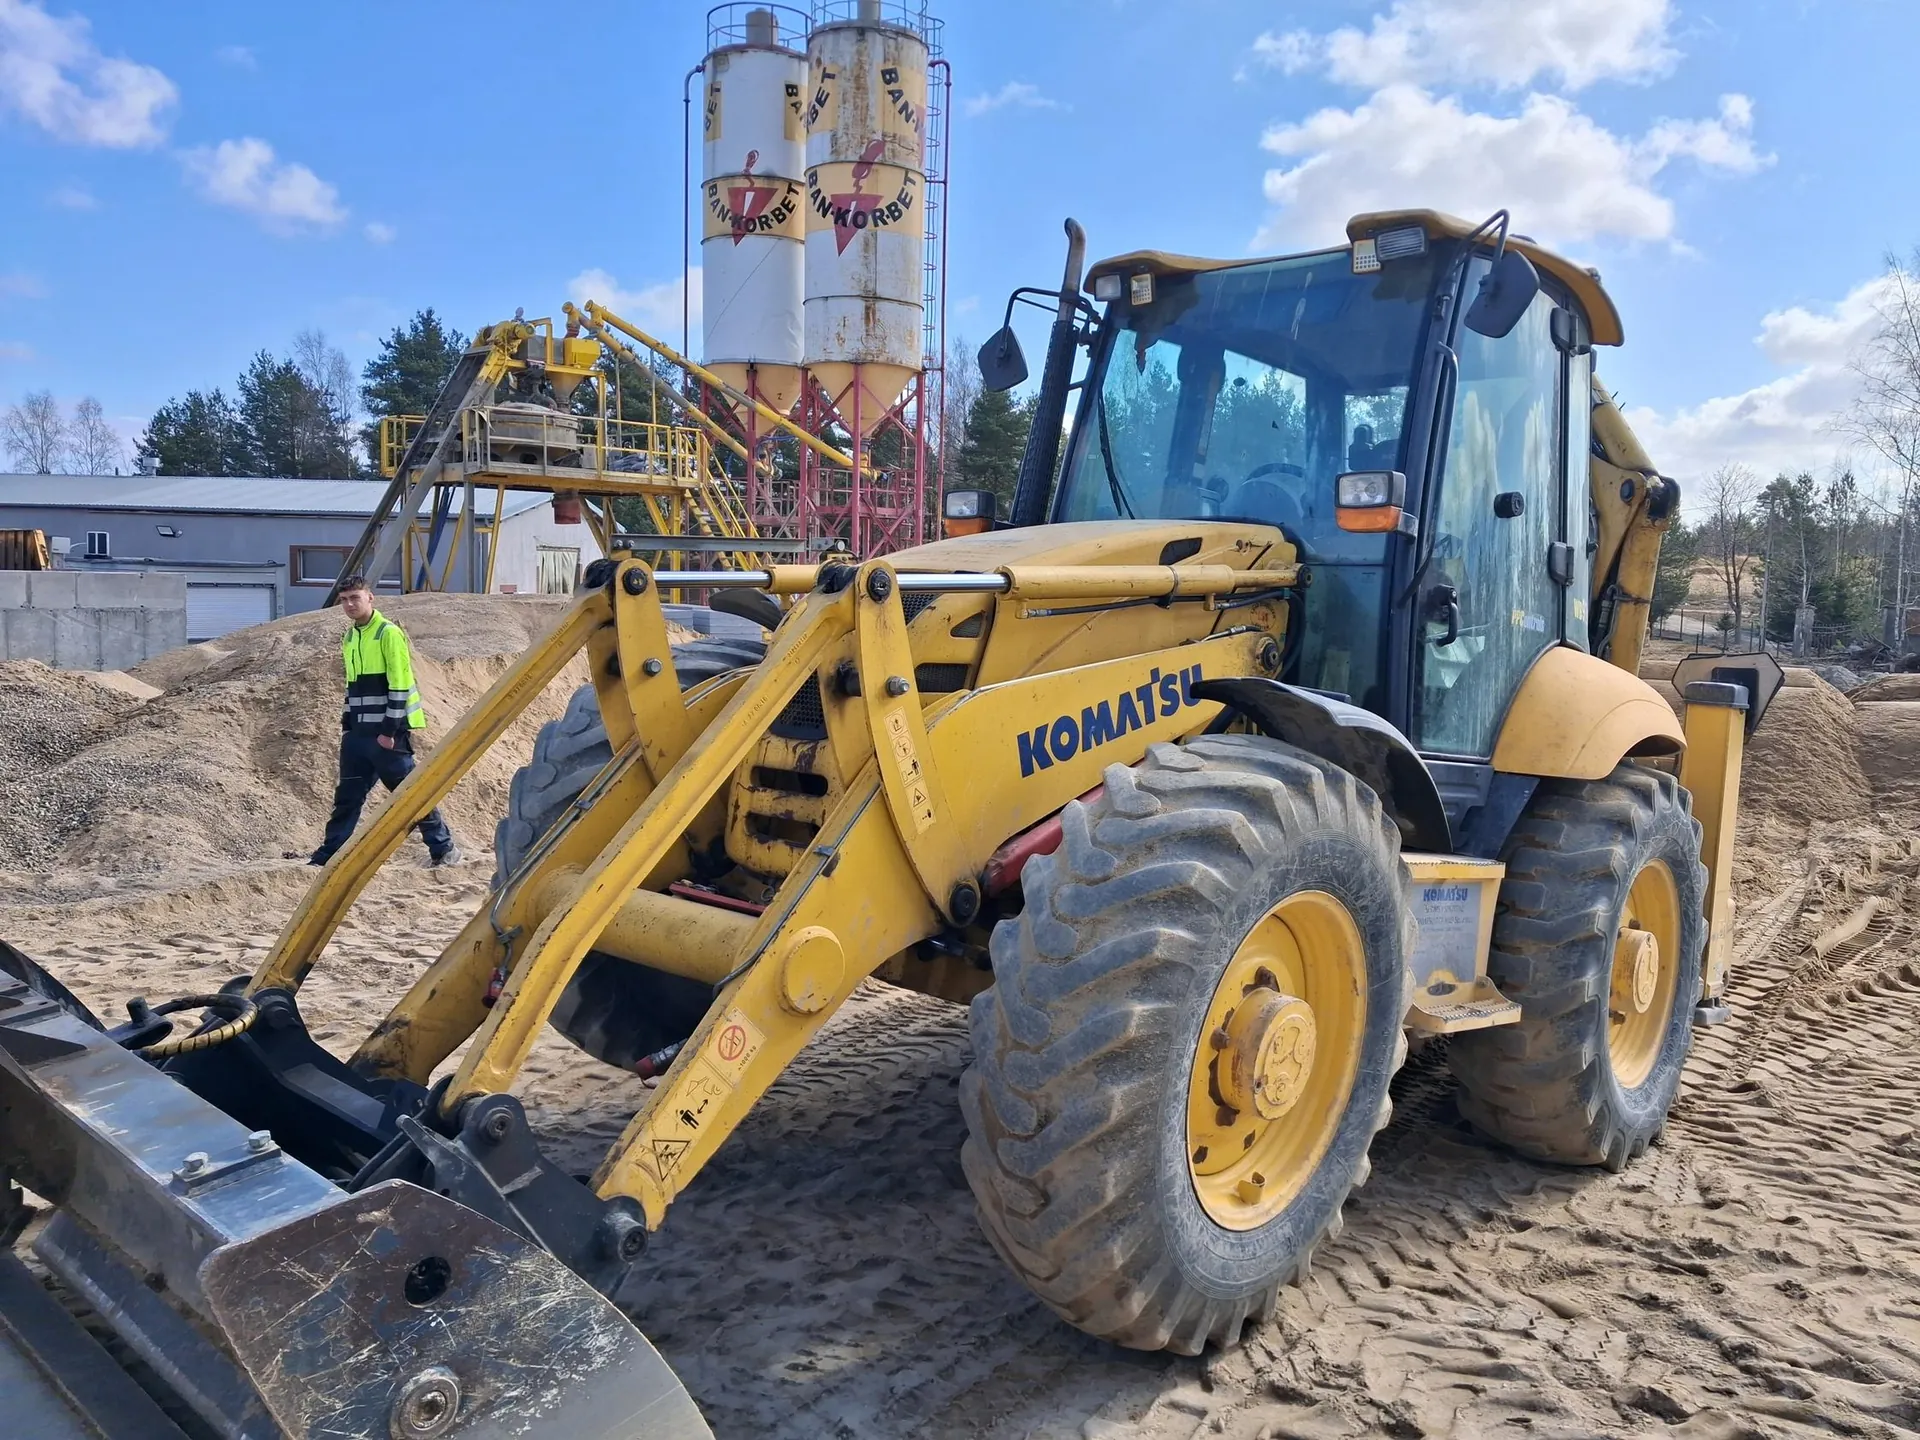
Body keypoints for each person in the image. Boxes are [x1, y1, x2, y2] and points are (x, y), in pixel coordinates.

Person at [308, 576, 462, 867]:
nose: (349, 604)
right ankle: (328, 855)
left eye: (355, 597)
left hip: (386, 736)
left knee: (409, 796)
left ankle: (443, 849)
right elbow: (352, 686)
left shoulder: (387, 633)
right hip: (357, 736)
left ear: (370, 597)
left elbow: (400, 683)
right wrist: (348, 725)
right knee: (347, 797)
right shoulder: (351, 636)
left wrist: (389, 730)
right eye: (344, 600)